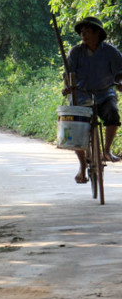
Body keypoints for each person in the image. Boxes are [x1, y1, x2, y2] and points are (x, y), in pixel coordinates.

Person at [62, 16, 122, 183]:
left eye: (87, 32)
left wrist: (120, 83)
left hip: (105, 93)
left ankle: (106, 151)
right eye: (82, 32)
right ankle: (82, 166)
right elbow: (69, 74)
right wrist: (68, 86)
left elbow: (119, 72)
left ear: (98, 33)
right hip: (81, 95)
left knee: (113, 113)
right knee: (75, 128)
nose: (83, 35)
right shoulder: (76, 52)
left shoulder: (111, 52)